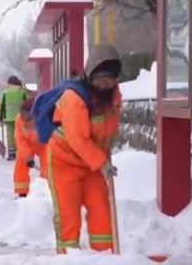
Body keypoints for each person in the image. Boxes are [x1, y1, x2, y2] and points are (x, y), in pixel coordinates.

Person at [46, 43, 122, 254]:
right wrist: (102, 162)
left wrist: (107, 149)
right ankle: (67, 258)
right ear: (91, 76)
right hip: (64, 161)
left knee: (101, 212)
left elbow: (111, 124)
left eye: (111, 79)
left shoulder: (113, 95)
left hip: (92, 164)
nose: (107, 84)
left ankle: (106, 255)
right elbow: (78, 139)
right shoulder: (74, 98)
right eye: (102, 79)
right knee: (68, 215)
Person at [12, 97, 46, 198]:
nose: (25, 123)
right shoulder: (19, 119)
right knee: (20, 162)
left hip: (45, 145)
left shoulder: (44, 118)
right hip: (28, 144)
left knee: (48, 166)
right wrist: (27, 157)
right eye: (24, 120)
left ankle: (46, 189)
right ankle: (22, 191)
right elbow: (20, 140)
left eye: (28, 120)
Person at [0, 75, 30, 160]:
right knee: (20, 135)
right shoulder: (23, 92)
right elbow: (28, 103)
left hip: (8, 117)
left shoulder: (5, 92)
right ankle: (21, 152)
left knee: (10, 136)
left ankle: (11, 154)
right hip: (20, 117)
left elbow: (1, 105)